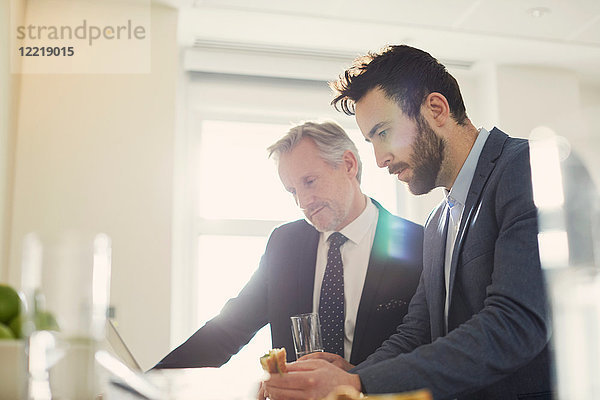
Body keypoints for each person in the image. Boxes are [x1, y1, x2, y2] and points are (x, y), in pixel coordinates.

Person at [262, 46, 552, 400]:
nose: (380, 159)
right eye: (371, 141)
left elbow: (513, 325)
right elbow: (417, 331)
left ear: (436, 109)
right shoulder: (436, 222)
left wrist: (358, 383)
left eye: (383, 132)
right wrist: (348, 379)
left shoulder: (527, 168)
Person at [153, 120, 423, 369]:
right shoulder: (284, 244)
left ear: (349, 165)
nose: (303, 202)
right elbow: (229, 328)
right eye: (293, 191)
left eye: (310, 181)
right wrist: (143, 385)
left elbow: (427, 348)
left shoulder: (417, 244)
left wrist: (357, 379)